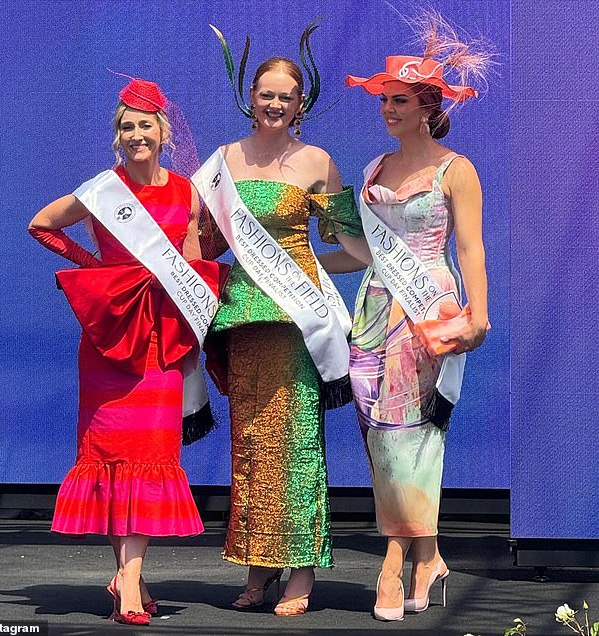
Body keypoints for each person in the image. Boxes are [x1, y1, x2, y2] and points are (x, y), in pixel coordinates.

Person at [28, 78, 226, 625]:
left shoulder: (187, 192)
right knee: (115, 456)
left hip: (160, 340)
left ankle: (130, 576)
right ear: (118, 137)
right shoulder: (102, 189)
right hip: (111, 339)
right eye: (126, 127)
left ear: (163, 132)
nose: (136, 135)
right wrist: (99, 274)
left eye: (145, 125)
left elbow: (188, 266)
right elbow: (42, 224)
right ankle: (129, 576)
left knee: (151, 454)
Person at [192, 23, 368, 616]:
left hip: (298, 323)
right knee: (251, 448)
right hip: (243, 318)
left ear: (301, 102)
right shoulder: (222, 164)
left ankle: (299, 577)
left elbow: (353, 247)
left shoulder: (318, 161)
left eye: (284, 96)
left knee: (295, 447)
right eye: (264, 94)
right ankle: (257, 568)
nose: (273, 104)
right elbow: (204, 243)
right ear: (251, 97)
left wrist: (311, 269)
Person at [332, 15, 492, 622]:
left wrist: (479, 315)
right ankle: (430, 555)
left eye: (399, 100)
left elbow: (471, 248)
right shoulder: (373, 169)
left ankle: (392, 563)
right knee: (378, 432)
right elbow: (361, 253)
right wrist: (305, 257)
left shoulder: (457, 170)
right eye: (384, 99)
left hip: (427, 312)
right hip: (373, 308)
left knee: (411, 431)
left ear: (427, 105)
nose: (388, 109)